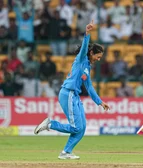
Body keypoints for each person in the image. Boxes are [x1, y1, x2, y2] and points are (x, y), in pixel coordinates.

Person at [33, 20, 110, 159]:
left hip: (75, 96)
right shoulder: (81, 59)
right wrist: (87, 34)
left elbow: (89, 86)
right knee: (76, 127)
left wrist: (100, 102)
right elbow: (84, 49)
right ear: (91, 53)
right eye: (98, 56)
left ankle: (66, 152)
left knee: (82, 128)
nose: (99, 59)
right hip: (67, 93)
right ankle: (50, 124)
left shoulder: (87, 67)